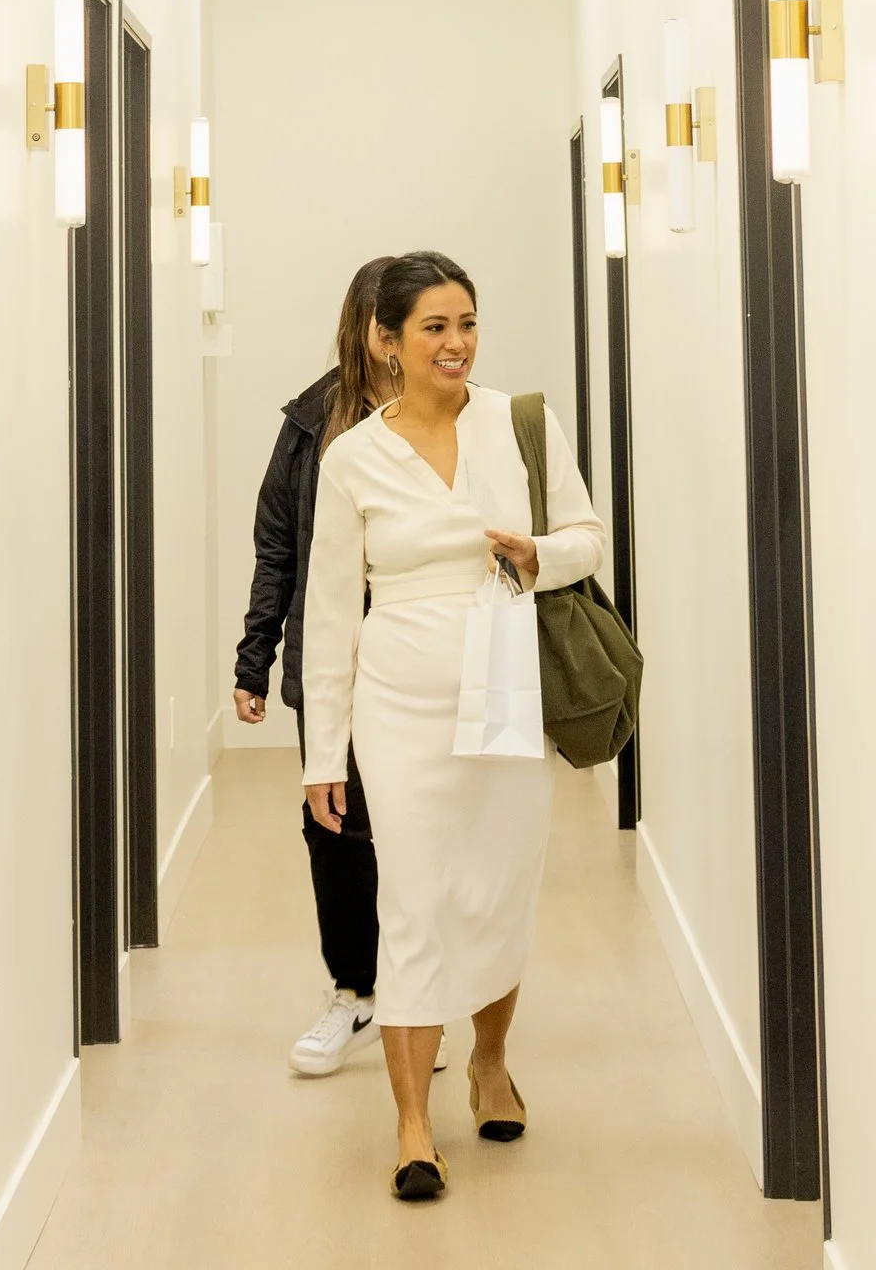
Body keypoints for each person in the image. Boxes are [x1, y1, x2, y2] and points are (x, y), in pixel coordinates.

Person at [300, 252, 604, 1201]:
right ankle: (411, 1127)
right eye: (434, 327)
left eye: (467, 322)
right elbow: (328, 615)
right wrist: (323, 754)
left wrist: (539, 553)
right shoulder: (352, 458)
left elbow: (589, 539)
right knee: (414, 897)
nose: (456, 343)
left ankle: (490, 1061)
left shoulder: (521, 424)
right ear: (387, 341)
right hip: (399, 704)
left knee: (497, 887)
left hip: (507, 687)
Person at [232, 257, 400, 1076]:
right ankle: (356, 993)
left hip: (421, 664)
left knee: (418, 829)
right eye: (389, 324)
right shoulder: (311, 423)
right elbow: (277, 547)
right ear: (364, 328)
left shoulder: (456, 419)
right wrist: (254, 659)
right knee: (335, 824)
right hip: (329, 663)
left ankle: (415, 999)